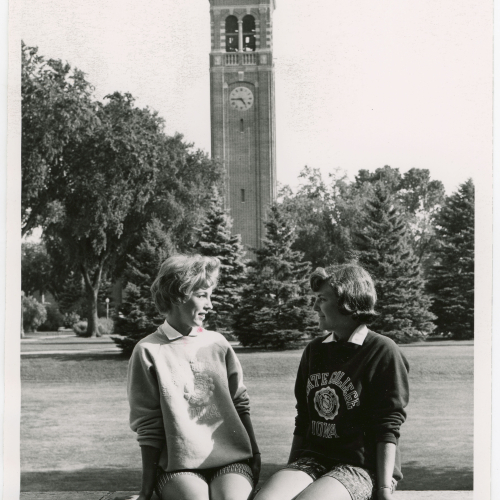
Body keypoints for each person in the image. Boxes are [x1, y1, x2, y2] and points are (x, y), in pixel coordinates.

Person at [254, 264, 409, 500]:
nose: (315, 306)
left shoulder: (381, 350)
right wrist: (291, 470)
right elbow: (303, 418)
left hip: (359, 467)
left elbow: (388, 425)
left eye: (322, 299)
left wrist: (384, 488)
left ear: (348, 302)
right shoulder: (315, 350)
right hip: (313, 459)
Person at [127, 254, 260, 500]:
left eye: (211, 295)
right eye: (202, 295)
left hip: (231, 460)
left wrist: (256, 454)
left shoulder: (218, 343)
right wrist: (145, 492)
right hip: (178, 468)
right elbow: (148, 426)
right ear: (178, 295)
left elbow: (240, 402)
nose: (210, 305)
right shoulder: (147, 351)